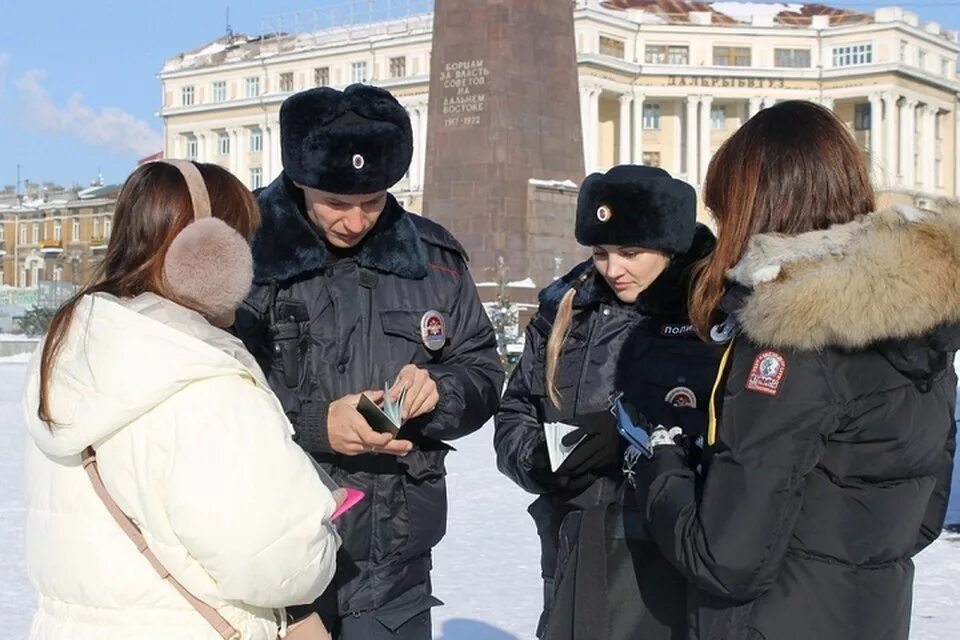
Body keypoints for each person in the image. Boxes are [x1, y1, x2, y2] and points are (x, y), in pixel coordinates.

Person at [630, 100, 959, 640]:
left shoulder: (789, 338)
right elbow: (924, 514)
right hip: (871, 614)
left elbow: (726, 559)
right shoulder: (920, 321)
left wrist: (660, 461)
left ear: (756, 209)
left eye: (723, 211)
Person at [22, 160, 342, 640]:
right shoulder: (204, 376)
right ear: (208, 253)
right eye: (241, 241)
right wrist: (320, 534)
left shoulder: (72, 355)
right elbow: (273, 558)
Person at [234, 84, 503, 639]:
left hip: (395, 563)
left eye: (373, 202)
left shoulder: (436, 262)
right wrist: (315, 424)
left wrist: (439, 390)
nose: (356, 222)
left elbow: (481, 369)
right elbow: (208, 401)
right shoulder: (242, 257)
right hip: (273, 563)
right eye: (336, 202)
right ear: (300, 182)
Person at [494, 165, 722, 639]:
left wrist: (638, 441)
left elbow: (744, 440)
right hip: (572, 546)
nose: (613, 269)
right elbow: (516, 411)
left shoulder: (714, 312)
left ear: (670, 245)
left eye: (630, 252)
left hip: (669, 559)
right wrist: (541, 457)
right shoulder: (566, 307)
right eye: (601, 252)